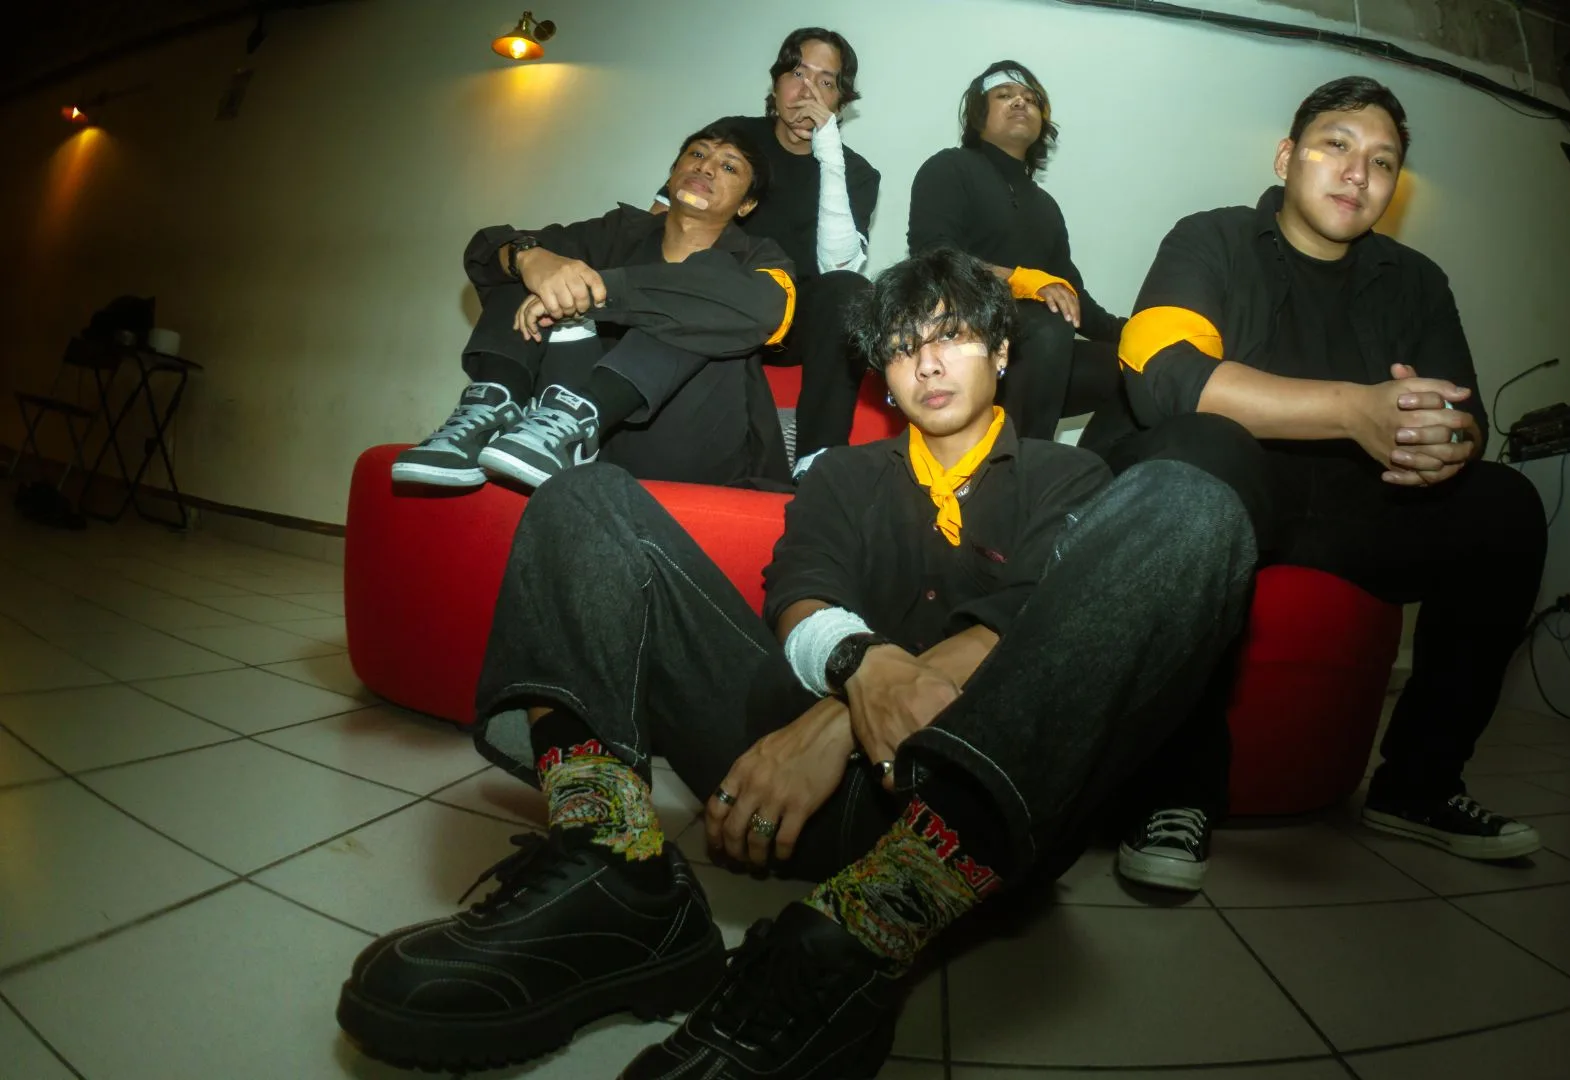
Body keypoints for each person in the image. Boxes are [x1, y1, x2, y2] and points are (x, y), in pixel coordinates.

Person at [336, 249, 1260, 1078]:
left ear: (1003, 353)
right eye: (903, 347)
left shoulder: (1071, 478)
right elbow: (801, 590)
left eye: (952, 337)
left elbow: (1034, 623)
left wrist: (843, 718)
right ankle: (610, 863)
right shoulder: (842, 475)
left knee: (1190, 504)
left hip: (965, 814)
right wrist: (858, 672)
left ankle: (854, 937)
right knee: (584, 497)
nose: (929, 362)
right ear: (883, 375)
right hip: (767, 781)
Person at [1098, 76, 1550, 891]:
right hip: (1227, 489)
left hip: (1354, 501)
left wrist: (1445, 442)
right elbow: (1163, 376)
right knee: (1205, 447)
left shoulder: (1417, 280)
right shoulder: (1208, 237)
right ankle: (1174, 792)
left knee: (1505, 506)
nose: (1357, 173)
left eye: (1382, 162)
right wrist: (1352, 409)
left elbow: (1467, 418)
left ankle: (1418, 785)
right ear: (1286, 158)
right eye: (1336, 145)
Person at [391, 119, 797, 491]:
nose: (705, 167)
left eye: (728, 167)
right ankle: (492, 408)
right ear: (673, 173)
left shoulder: (760, 257)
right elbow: (488, 249)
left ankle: (582, 418)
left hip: (690, 449)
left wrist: (603, 291)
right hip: (571, 438)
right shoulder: (620, 232)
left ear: (746, 204)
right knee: (532, 263)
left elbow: (768, 310)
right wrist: (530, 259)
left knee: (703, 292)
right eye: (697, 153)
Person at [654, 27, 882, 475]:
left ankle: (817, 462)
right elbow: (666, 215)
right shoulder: (732, 137)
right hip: (714, 299)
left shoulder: (857, 172)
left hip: (790, 323)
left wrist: (829, 154)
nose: (808, 92)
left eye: (826, 81)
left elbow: (838, 265)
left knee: (850, 289)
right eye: (798, 74)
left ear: (840, 101)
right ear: (776, 84)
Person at [907, 60, 1125, 442]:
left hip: (1035, 354)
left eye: (1030, 99)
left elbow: (1072, 297)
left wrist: (1139, 331)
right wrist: (1016, 280)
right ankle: (1016, 465)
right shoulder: (949, 167)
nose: (1020, 102)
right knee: (1045, 324)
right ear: (979, 116)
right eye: (1004, 95)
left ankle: (1091, 471)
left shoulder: (1046, 206)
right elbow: (932, 254)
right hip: (960, 343)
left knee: (1136, 365)